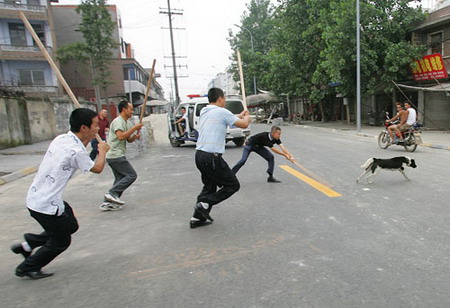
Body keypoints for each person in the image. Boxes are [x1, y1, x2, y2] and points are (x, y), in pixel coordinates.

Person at [11, 108, 110, 280]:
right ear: (84, 128)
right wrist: (102, 151)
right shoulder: (76, 152)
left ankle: (28, 244)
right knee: (61, 241)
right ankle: (27, 267)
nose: (98, 128)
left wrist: (94, 143)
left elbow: (80, 149)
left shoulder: (62, 139)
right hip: (45, 205)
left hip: (42, 198)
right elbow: (98, 168)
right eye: (95, 125)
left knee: (70, 225)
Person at [190, 88, 250, 229]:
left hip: (200, 155)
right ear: (220, 98)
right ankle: (204, 203)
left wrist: (239, 115)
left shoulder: (205, 111)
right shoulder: (222, 112)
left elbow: (228, 118)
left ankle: (196, 219)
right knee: (233, 185)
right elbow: (244, 125)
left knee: (210, 186)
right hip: (212, 156)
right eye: (224, 98)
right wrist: (246, 118)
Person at [102, 100, 143, 210]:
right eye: (131, 109)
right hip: (115, 155)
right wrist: (135, 128)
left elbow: (128, 139)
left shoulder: (127, 123)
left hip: (115, 155)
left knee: (119, 179)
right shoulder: (118, 121)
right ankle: (112, 193)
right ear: (124, 110)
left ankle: (108, 202)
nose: (132, 111)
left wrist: (135, 136)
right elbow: (120, 136)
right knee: (131, 175)